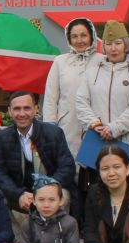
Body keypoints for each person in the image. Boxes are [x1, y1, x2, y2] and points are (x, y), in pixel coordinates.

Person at [0, 90, 76, 221]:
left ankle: (56, 236)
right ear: (10, 111)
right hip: (20, 191)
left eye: (27, 108)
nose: (22, 114)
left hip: (50, 189)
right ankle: (14, 237)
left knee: (63, 194)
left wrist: (47, 188)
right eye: (17, 109)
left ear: (36, 109)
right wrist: (18, 194)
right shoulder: (2, 137)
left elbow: (67, 167)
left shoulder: (54, 133)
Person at [77, 21, 129, 177]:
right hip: (95, 140)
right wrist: (95, 124)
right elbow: (81, 102)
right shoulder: (91, 73)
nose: (113, 48)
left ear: (126, 45)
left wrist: (114, 128)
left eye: (118, 43)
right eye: (109, 44)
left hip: (125, 141)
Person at [42, 17, 100, 163]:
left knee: (95, 164)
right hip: (67, 125)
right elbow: (51, 98)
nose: (79, 40)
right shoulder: (60, 61)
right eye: (74, 36)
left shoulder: (102, 60)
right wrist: (50, 128)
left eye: (83, 35)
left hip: (97, 124)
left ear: (92, 36)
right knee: (68, 166)